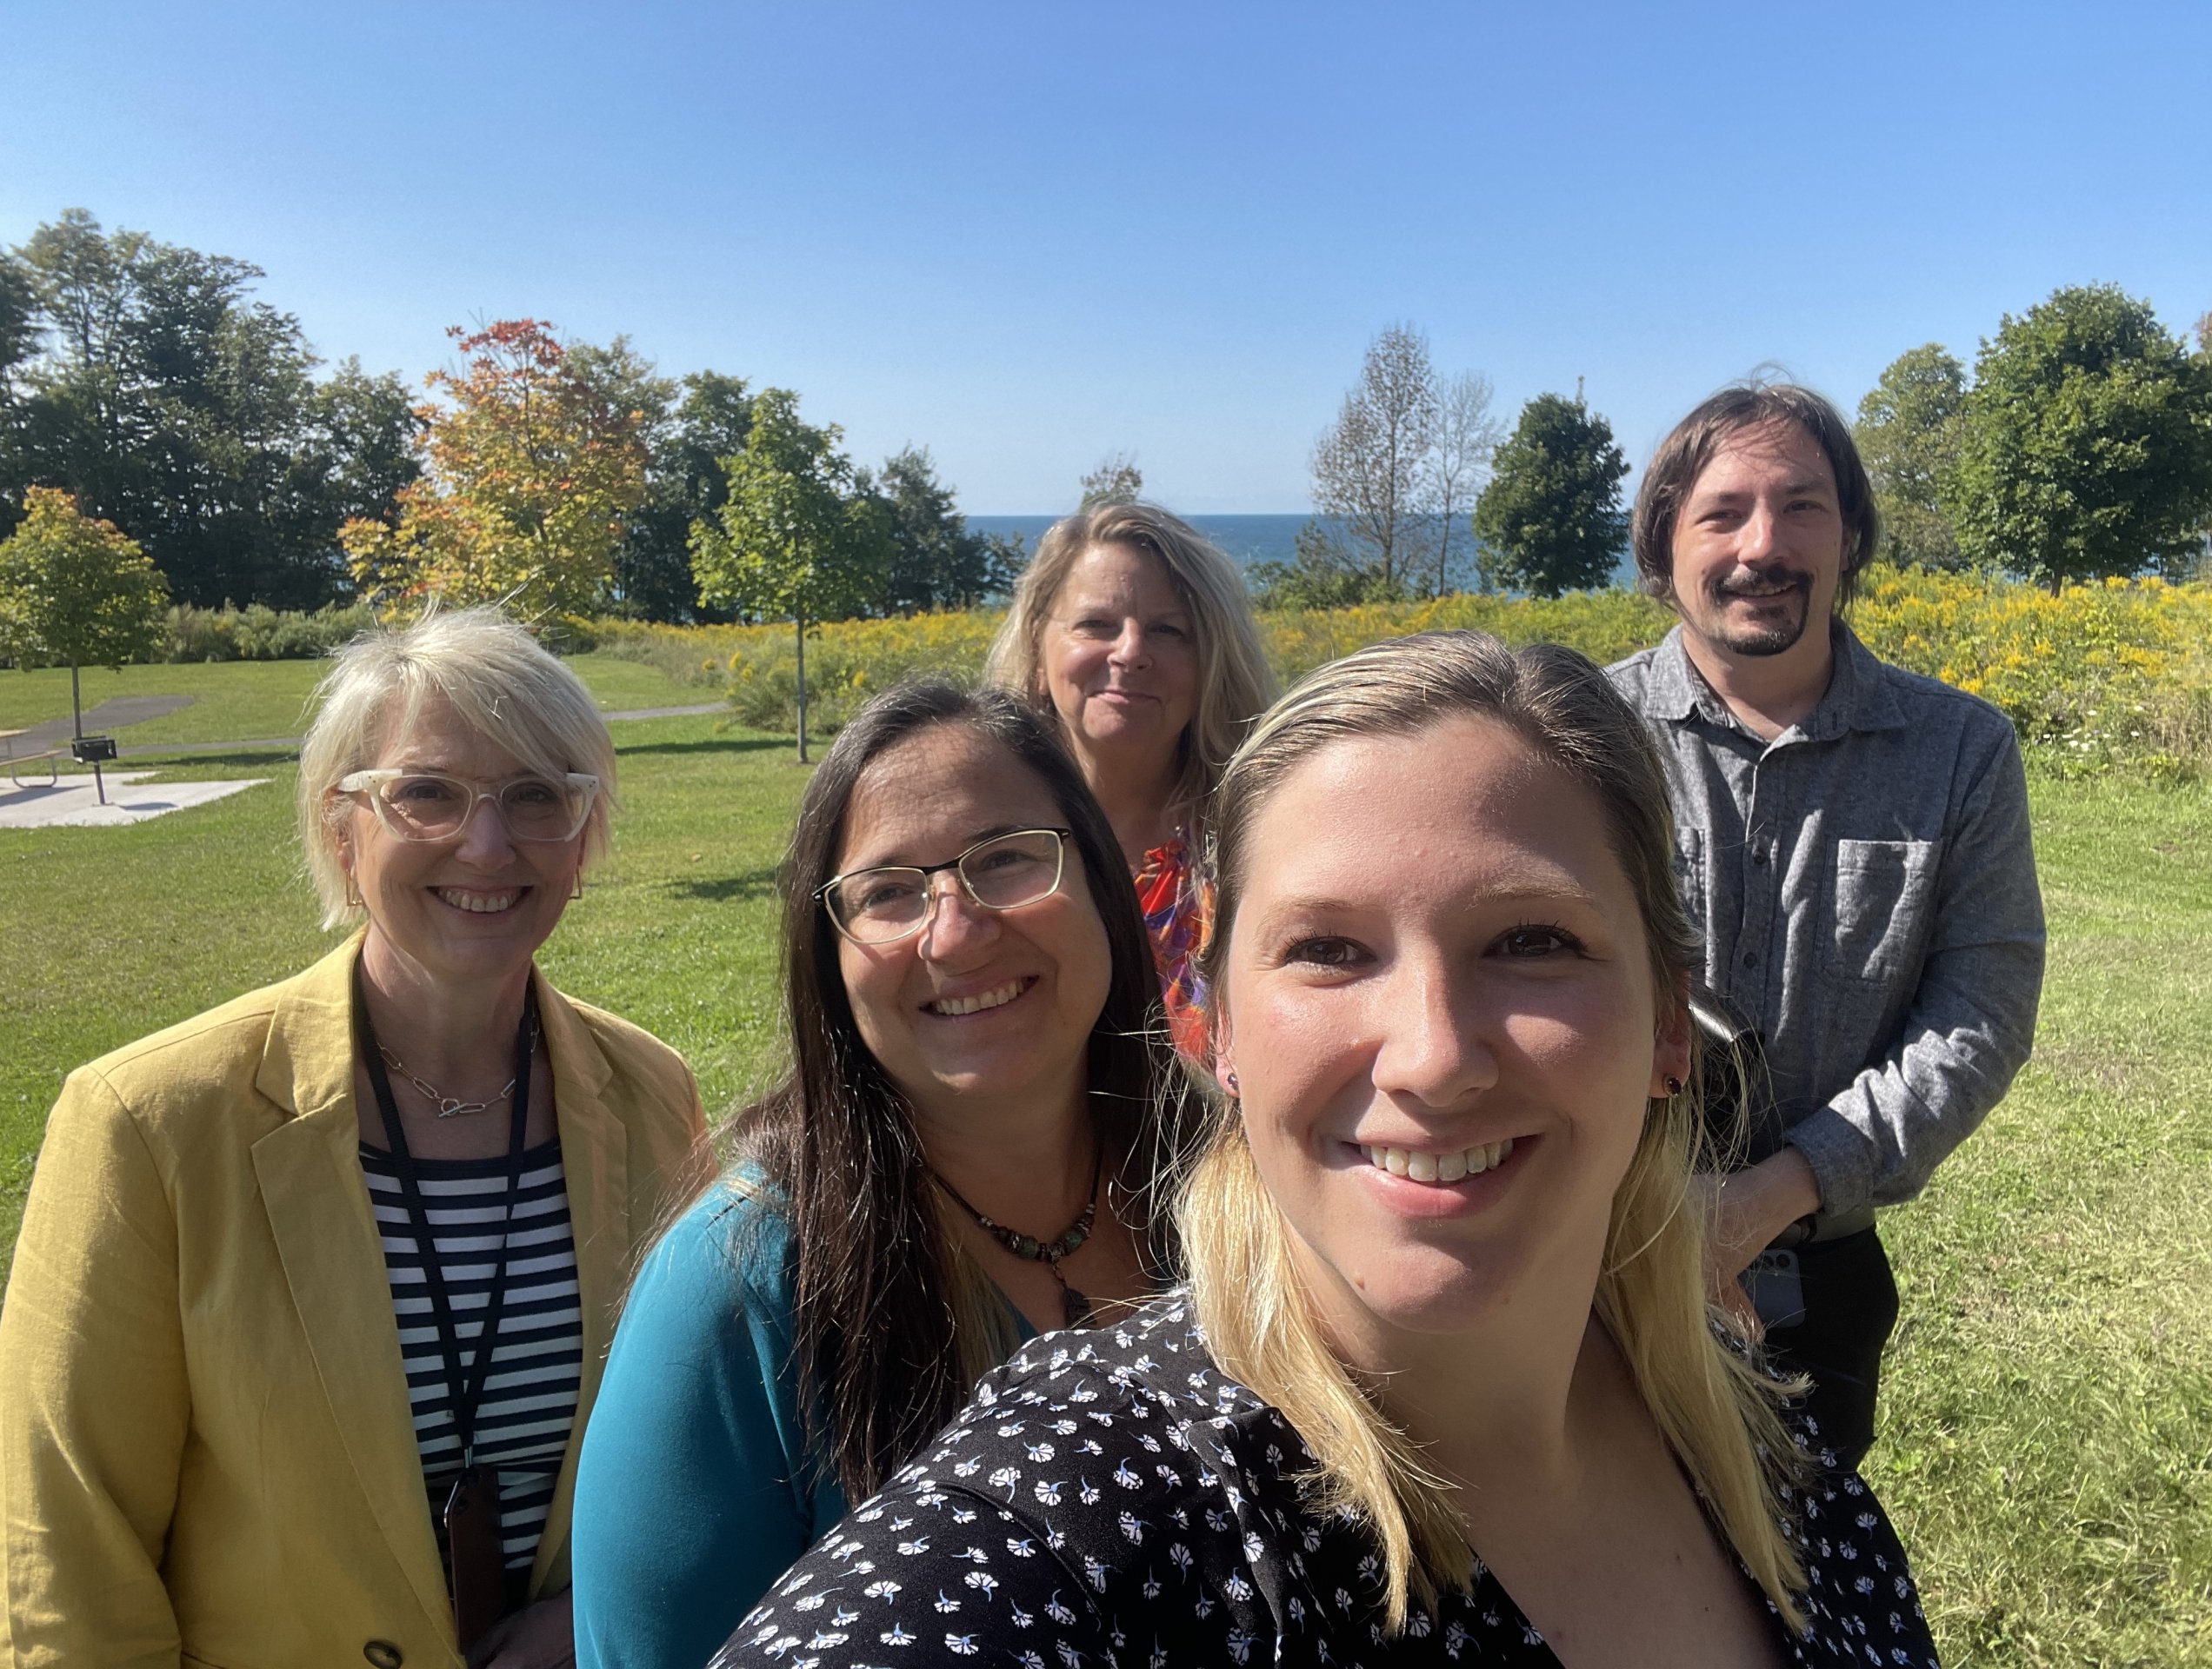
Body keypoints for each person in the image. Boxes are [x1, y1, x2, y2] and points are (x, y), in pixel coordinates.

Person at [714, 630, 1940, 1668]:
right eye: (1329, 951)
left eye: (1531, 943)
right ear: (1218, 1029)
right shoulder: (1087, 1510)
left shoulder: (1768, 1451)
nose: (1431, 1056)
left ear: (1669, 1022)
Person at [0, 607, 710, 1668]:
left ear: (585, 831)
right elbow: (65, 1548)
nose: (487, 843)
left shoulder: (650, 1093)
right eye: (426, 792)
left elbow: (691, 1454)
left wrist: (591, 1616)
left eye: (536, 796)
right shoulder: (152, 1121)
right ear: (341, 827)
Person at [570, 682, 1198, 1669]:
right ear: (829, 960)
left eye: (1005, 859)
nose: (953, 932)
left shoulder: (1242, 1190)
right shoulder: (737, 1288)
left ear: (1100, 887)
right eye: (888, 893)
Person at [1609, 382, 2046, 1466]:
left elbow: (1978, 1015)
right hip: (1586, 1252)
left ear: (1849, 536)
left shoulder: (1960, 752)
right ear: (1663, 545)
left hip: (1818, 1274)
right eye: (1722, 512)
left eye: (1802, 506)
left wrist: (1770, 1195)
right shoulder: (1574, 734)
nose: (1765, 544)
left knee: (1799, 1590)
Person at [985, 502, 1276, 1057]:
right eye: (1096, 624)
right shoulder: (980, 843)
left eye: (1169, 630)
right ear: (1037, 647)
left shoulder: (1261, 842)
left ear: (1212, 660)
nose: (1131, 652)